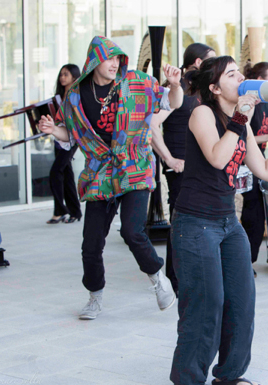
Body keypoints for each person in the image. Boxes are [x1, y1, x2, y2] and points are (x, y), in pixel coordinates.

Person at [169, 55, 268, 385]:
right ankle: (188, 376)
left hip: (228, 222)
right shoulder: (202, 112)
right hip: (195, 222)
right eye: (232, 74)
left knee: (242, 299)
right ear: (214, 88)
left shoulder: (239, 119)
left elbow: (265, 171)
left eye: (240, 72)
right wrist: (242, 116)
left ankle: (230, 373)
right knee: (206, 300)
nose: (241, 77)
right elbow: (217, 156)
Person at [38, 36, 183, 320]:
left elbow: (172, 103)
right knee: (91, 243)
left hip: (135, 165)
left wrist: (175, 84)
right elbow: (73, 134)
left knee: (132, 231)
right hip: (100, 172)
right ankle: (94, 296)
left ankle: (158, 280)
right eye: (109, 58)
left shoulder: (138, 82)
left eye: (118, 58)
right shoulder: (76, 96)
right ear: (94, 61)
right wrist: (54, 131)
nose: (115, 63)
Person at [150, 43, 216, 294]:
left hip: (201, 168)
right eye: (211, 60)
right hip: (180, 170)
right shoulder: (176, 89)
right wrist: (169, 159)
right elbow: (152, 125)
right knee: (179, 225)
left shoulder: (203, 90)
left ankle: (191, 274)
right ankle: (175, 280)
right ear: (198, 63)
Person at [240, 61, 268, 273]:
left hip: (258, 163)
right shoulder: (247, 104)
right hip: (242, 163)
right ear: (259, 81)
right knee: (251, 215)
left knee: (256, 216)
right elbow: (241, 137)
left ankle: (248, 261)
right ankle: (243, 261)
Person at [46, 64, 82, 224]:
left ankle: (60, 210)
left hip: (72, 138)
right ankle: (75, 212)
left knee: (56, 172)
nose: (62, 77)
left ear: (74, 77)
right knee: (67, 175)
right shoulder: (58, 96)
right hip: (58, 137)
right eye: (61, 74)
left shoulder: (77, 95)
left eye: (66, 74)